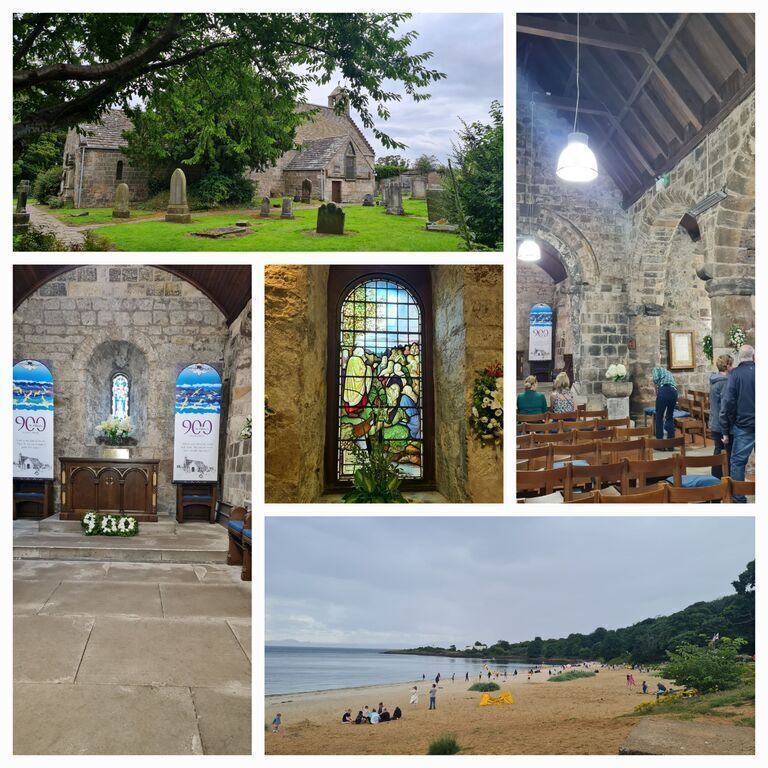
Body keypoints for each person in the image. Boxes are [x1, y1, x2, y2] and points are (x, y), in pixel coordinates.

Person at [720, 345, 755, 503]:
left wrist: (727, 428)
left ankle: (739, 499)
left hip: (744, 426)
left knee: (738, 462)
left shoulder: (735, 374)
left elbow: (728, 402)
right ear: (753, 356)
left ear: (740, 357)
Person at [709, 354, 733, 478]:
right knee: (725, 454)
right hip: (721, 424)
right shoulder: (724, 382)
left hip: (715, 422)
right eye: (731, 365)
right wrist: (725, 431)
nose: (732, 367)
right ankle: (721, 483)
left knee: (718, 451)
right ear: (727, 365)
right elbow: (724, 408)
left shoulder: (714, 379)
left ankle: (716, 481)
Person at [651, 366, 678, 440]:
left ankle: (660, 443)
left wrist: (658, 394)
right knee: (670, 416)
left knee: (659, 417)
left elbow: (656, 380)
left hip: (663, 391)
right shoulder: (668, 372)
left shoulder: (655, 369)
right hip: (674, 391)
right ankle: (671, 442)